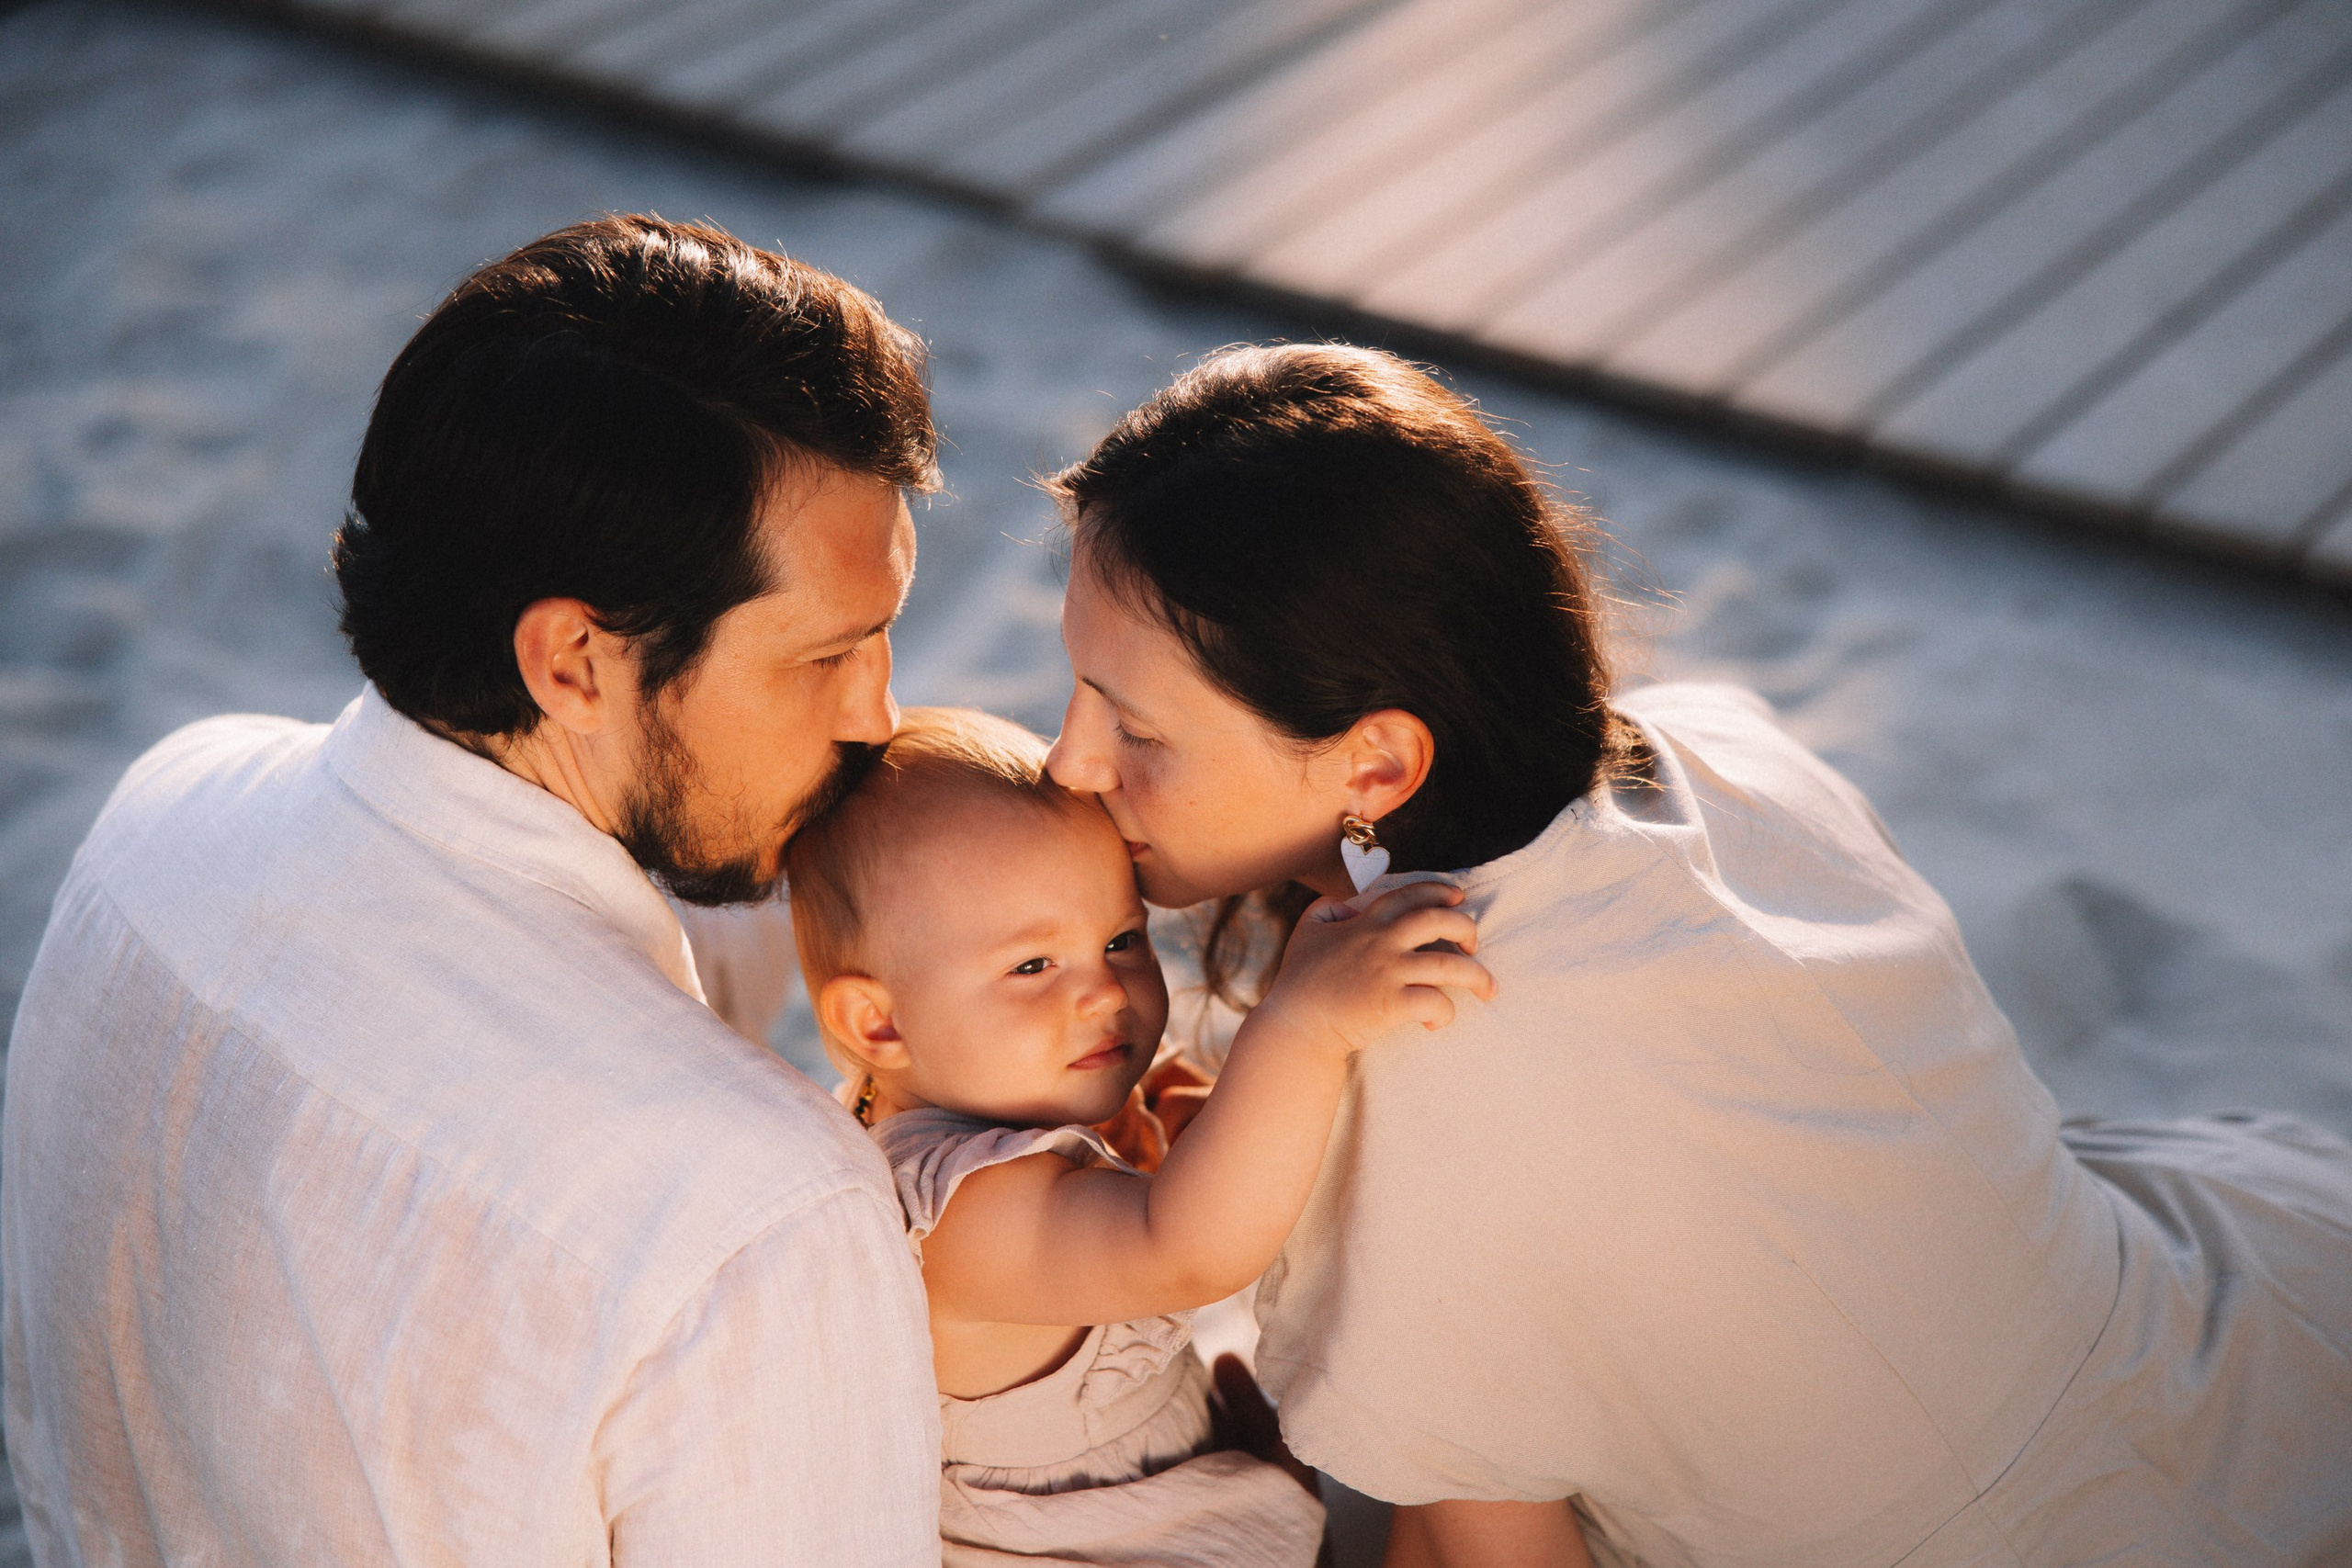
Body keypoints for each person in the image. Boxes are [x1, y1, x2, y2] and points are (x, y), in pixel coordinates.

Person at [1040, 343, 2352, 1568]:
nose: (1070, 762)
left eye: (1134, 727)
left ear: (1376, 759)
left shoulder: (1410, 1056)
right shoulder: (1717, 750)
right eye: (1077, 691)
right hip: (2205, 1355)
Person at [3, 216, 945, 1564]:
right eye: (829, 656)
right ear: (572, 661)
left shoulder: (157, 820)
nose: (881, 715)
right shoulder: (756, 1216)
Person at [783, 705, 1492, 1565]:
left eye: (1121, 939)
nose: (1105, 993)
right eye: (1033, 965)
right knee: (1481, 1451)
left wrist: (1185, 1147)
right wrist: (1298, 1028)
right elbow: (1187, 1247)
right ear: (879, 1025)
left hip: (1202, 1507)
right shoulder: (961, 1217)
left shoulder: (923, 1109)